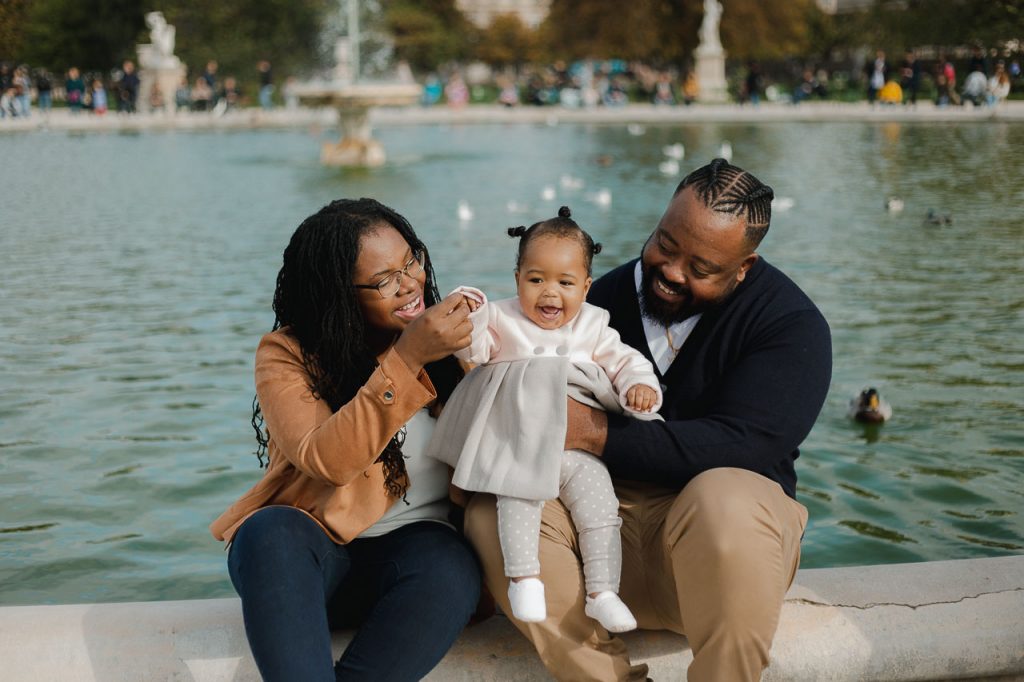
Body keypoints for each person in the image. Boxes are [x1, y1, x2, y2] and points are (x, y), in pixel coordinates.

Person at [465, 158, 832, 682]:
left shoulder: (790, 325)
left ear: (744, 268)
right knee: (489, 511)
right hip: (596, 547)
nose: (671, 273)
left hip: (720, 560)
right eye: (666, 244)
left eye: (701, 269)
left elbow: (746, 447)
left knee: (725, 495)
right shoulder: (591, 301)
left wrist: (593, 432)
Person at [210, 198, 482, 681]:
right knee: (268, 533)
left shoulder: (457, 342)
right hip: (311, 564)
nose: (409, 284)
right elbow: (326, 458)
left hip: (416, 563)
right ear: (339, 293)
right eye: (384, 281)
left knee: (451, 566)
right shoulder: (288, 355)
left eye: (411, 260)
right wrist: (407, 357)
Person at [426, 207, 662, 633]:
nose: (549, 293)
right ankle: (523, 578)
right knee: (517, 499)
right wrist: (474, 314)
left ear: (586, 287)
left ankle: (603, 591)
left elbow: (624, 360)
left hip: (574, 447)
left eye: (565, 283)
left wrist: (638, 386)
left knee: (600, 507)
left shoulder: (593, 325)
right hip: (519, 443)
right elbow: (474, 352)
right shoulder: (502, 317)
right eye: (536, 280)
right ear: (517, 278)